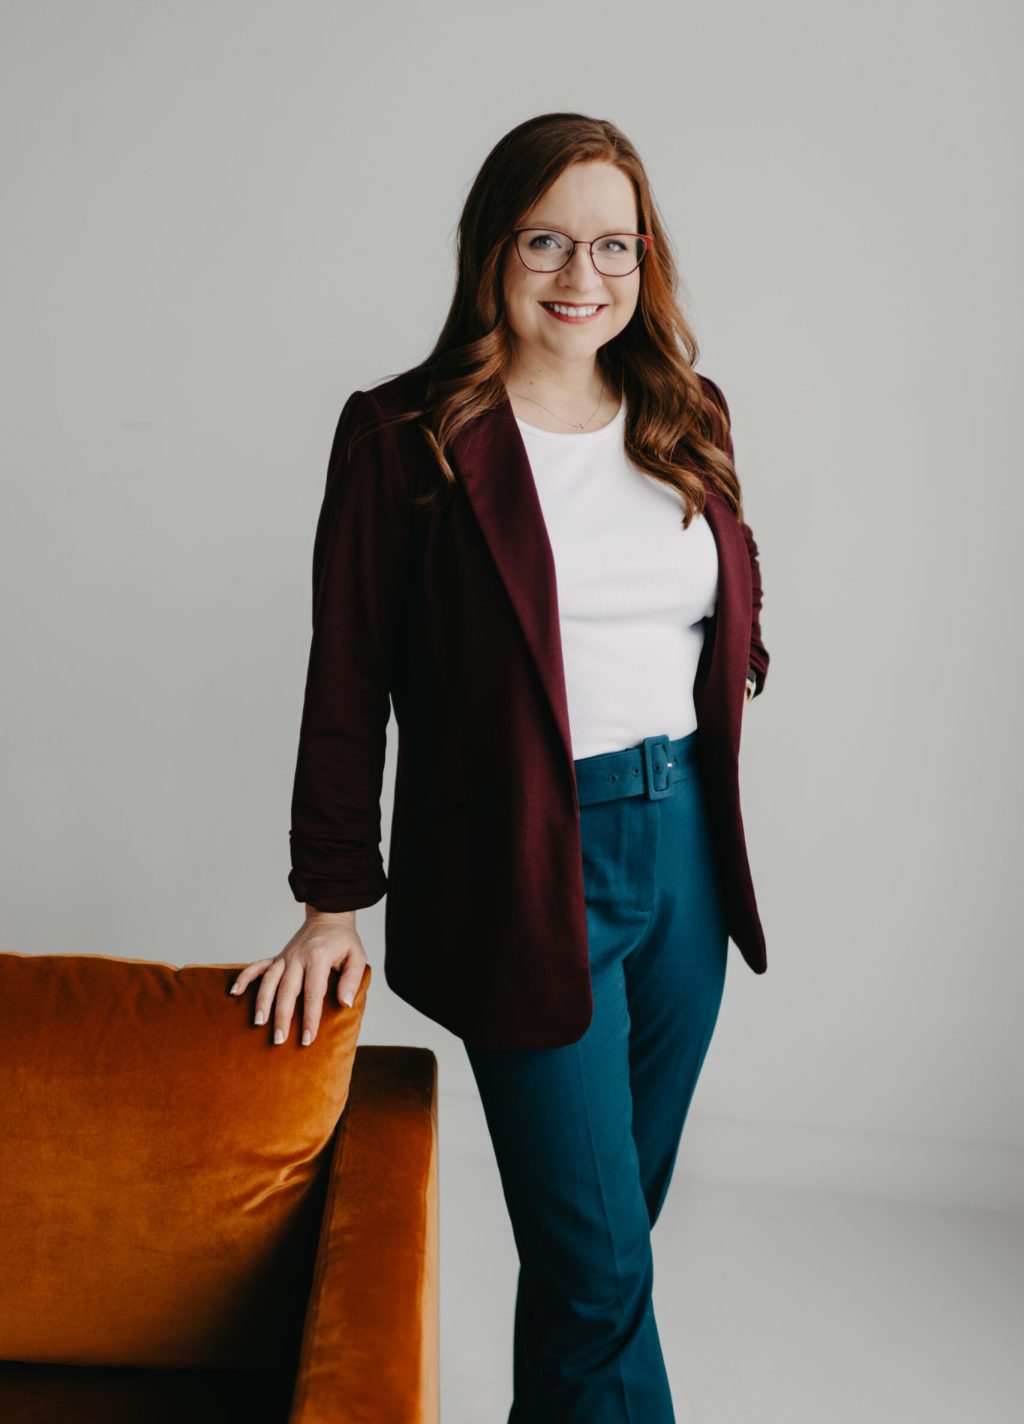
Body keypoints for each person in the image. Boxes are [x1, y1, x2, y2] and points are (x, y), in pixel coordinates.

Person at [230, 111, 770, 1423]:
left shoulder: (688, 412)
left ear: (646, 260)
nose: (582, 275)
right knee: (598, 1270)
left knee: (605, 1245)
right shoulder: (405, 435)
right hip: (525, 861)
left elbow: (722, 593)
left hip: (685, 853)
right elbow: (348, 678)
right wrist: (330, 902)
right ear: (492, 251)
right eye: (546, 242)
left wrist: (738, 660)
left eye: (613, 245)